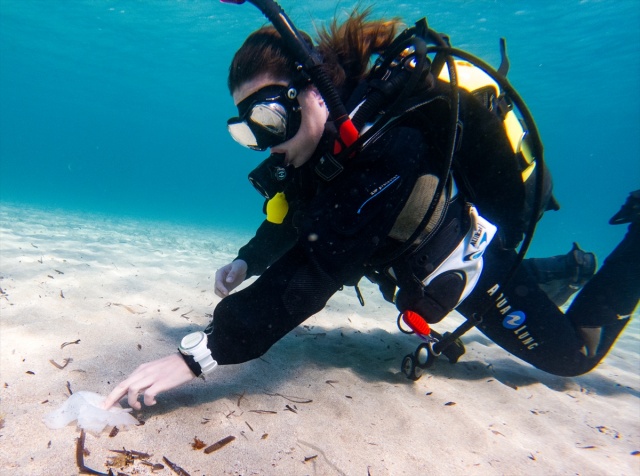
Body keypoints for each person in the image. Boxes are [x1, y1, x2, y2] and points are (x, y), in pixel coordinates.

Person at [104, 7, 639, 410]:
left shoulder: (386, 146)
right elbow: (296, 222)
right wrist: (249, 259)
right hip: (422, 262)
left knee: (575, 355)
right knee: (519, 281)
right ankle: (572, 267)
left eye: (268, 120)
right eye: (248, 133)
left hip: (469, 270)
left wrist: (197, 356)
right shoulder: (319, 151)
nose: (266, 144)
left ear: (313, 91)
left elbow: (316, 270)